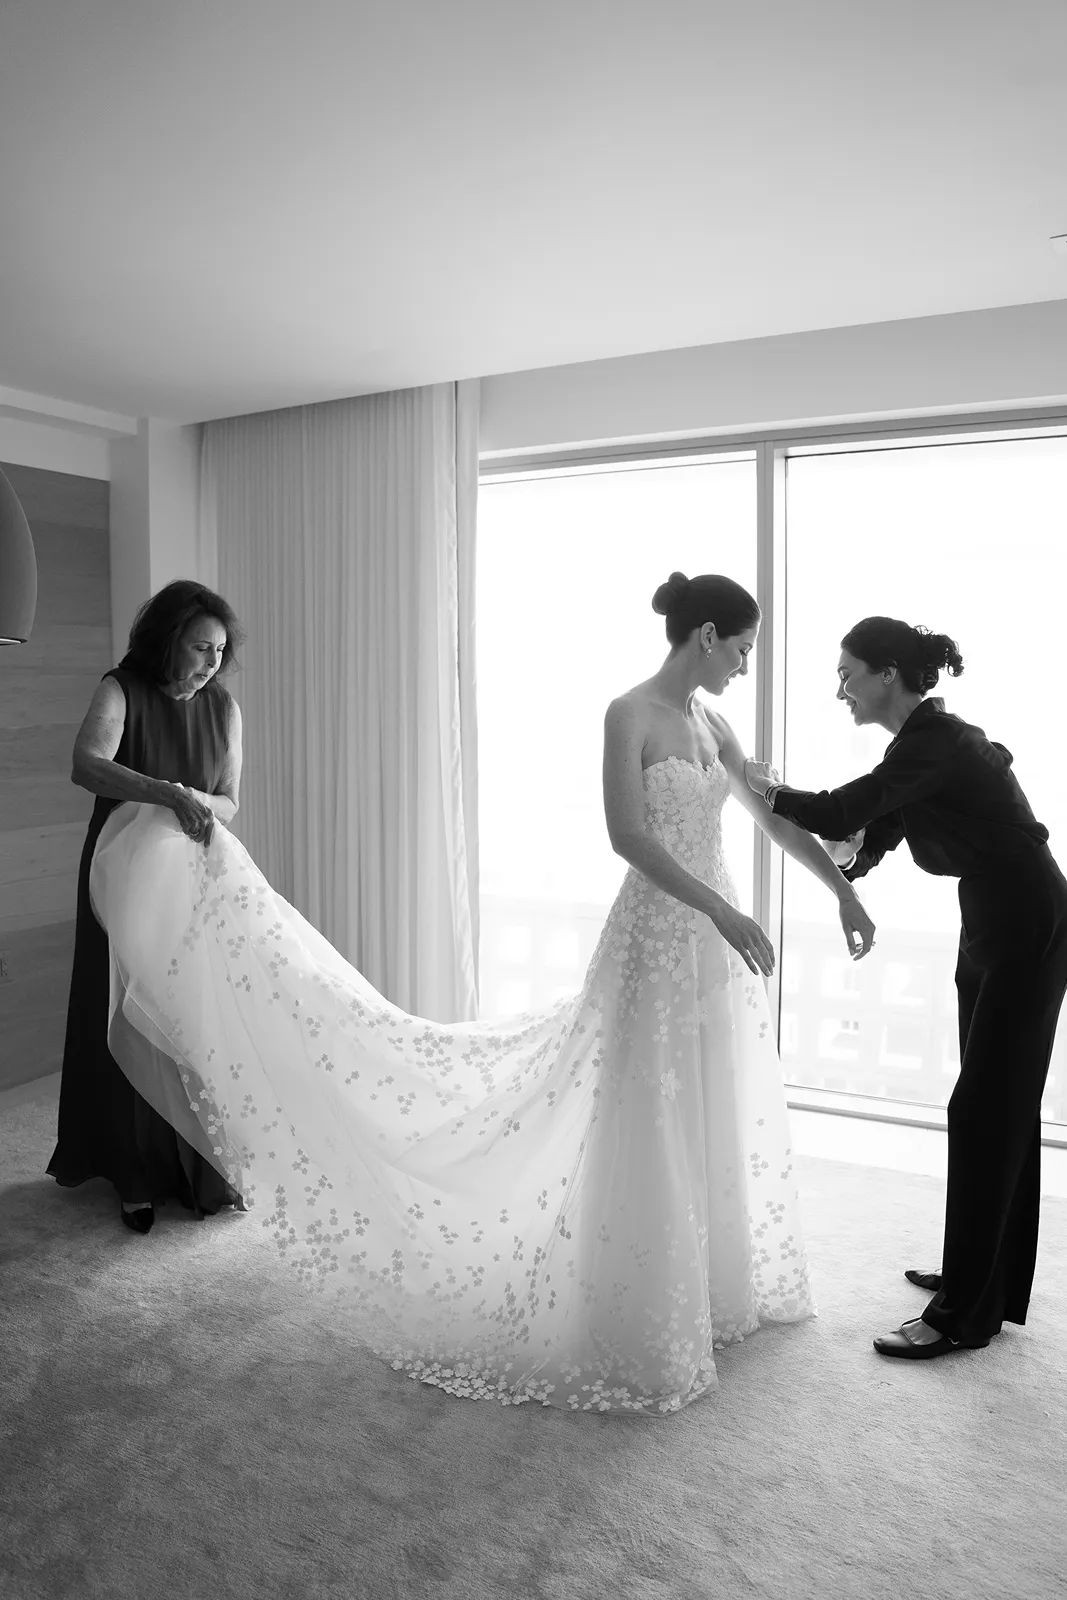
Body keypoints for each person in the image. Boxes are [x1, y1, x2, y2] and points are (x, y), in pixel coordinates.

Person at [87, 572, 875, 1413]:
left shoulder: (714, 723)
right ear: (708, 637)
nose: (746, 669)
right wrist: (721, 907)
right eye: (744, 650)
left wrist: (842, 890)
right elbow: (628, 836)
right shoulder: (630, 714)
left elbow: (774, 816)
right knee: (647, 1107)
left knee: (709, 1100)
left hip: (715, 948)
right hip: (662, 930)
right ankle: (641, 1297)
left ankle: (714, 1288)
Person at [745, 616, 1067, 1360]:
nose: (839, 690)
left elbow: (836, 809)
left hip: (1024, 914)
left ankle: (964, 1317)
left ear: (887, 673)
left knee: (987, 1105)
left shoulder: (936, 744)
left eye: (847, 674)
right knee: (995, 1101)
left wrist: (761, 786)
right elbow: (876, 832)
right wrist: (847, 875)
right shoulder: (920, 750)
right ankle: (978, 1277)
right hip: (992, 914)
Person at [47, 580, 246, 1232]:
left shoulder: (223, 709)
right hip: (120, 878)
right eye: (200, 647)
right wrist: (169, 793)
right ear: (168, 639)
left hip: (191, 884)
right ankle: (132, 1175)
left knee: (193, 1018)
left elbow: (227, 801)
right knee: (125, 1015)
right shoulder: (120, 689)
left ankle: (203, 1165)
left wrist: (193, 802)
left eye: (219, 650)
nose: (212, 661)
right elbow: (86, 764)